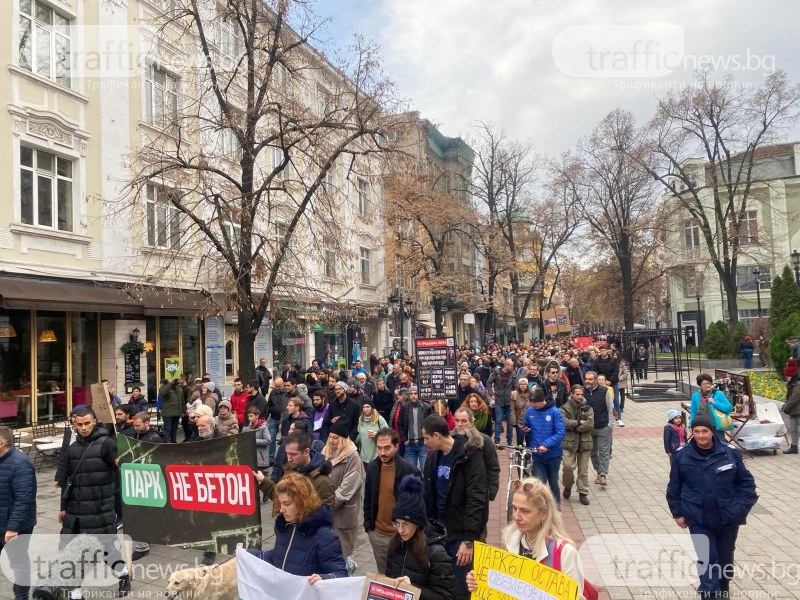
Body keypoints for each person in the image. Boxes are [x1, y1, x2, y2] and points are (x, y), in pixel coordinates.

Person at [666, 414, 758, 598]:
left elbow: (747, 485)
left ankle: (723, 587)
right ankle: (709, 593)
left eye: (705, 431)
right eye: (697, 431)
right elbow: (673, 487)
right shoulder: (682, 456)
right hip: (698, 517)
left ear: (712, 432)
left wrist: (740, 508)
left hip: (727, 517)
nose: (701, 436)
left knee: (724, 560)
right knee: (707, 560)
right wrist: (677, 514)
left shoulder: (730, 453)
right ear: (692, 432)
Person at [465, 478, 585, 595]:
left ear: (544, 513)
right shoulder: (511, 541)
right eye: (514, 508)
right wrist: (479, 582)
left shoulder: (565, 552)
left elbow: (575, 596)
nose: (516, 516)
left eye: (525, 511)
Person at [60, 406, 131, 596]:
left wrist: (121, 462)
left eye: (87, 423)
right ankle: (75, 594)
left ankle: (123, 574)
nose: (83, 428)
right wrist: (63, 507)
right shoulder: (72, 449)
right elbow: (68, 480)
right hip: (75, 512)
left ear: (94, 422)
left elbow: (121, 467)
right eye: (79, 424)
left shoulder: (107, 443)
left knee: (106, 550)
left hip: (100, 510)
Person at [421, 415, 487, 600]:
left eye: (426, 438)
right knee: (441, 584)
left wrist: (469, 540)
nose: (425, 443)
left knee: (462, 588)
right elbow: (429, 494)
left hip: (460, 536)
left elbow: (477, 498)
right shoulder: (433, 457)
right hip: (439, 533)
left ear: (436, 435)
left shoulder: (468, 454)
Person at [247, 472, 347, 583]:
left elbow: (340, 574)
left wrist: (323, 579)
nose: (281, 510)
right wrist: (247, 554)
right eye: (281, 503)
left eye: (287, 504)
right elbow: (278, 557)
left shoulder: (325, 537)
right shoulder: (285, 528)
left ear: (302, 502)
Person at [385, 475, 457, 599]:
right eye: (397, 523)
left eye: (406, 524)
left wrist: (412, 589)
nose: (401, 530)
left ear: (418, 523)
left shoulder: (436, 554)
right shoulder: (395, 543)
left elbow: (446, 597)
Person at [363, 428, 420, 575]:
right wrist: (369, 527)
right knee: (383, 577)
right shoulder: (373, 468)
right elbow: (368, 499)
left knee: (404, 576)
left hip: (401, 534)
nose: (382, 453)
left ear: (396, 446)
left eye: (387, 448)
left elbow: (419, 506)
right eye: (379, 448)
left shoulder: (410, 471)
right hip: (378, 534)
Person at [322, 418, 365, 575]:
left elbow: (347, 488)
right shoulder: (325, 452)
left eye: (336, 438)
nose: (332, 441)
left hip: (342, 511)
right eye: (330, 437)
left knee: (341, 550)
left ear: (343, 440)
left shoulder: (353, 458)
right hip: (325, 510)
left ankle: (346, 572)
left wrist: (326, 503)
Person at [256, 431, 335, 511]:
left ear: (306, 452)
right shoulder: (291, 469)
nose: (289, 459)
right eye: (287, 454)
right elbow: (282, 498)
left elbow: (323, 518)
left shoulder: (323, 482)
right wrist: (263, 481)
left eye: (293, 454)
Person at [0, 425, 36, 600]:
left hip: (15, 526)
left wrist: (13, 528)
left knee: (18, 563)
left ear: (1, 443)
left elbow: (24, 499)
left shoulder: (20, 463)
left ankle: (21, 596)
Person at [524, 387, 565, 510]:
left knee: (553, 484)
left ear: (542, 400)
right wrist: (525, 430)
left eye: (534, 402)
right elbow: (527, 428)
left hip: (553, 455)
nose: (532, 404)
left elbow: (560, 432)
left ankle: (556, 510)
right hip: (537, 455)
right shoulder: (530, 411)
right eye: (531, 402)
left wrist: (546, 445)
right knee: (540, 485)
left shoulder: (554, 412)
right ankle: (542, 510)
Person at [560, 385, 594, 506]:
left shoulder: (588, 408)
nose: (580, 396)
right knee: (568, 467)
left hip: (584, 443)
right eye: (577, 394)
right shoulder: (564, 408)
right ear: (572, 394)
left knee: (583, 471)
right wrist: (578, 422)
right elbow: (563, 422)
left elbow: (590, 425)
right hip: (569, 442)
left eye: (581, 394)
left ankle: (583, 492)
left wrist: (574, 428)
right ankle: (568, 486)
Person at [584, 371, 613, 487]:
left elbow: (610, 408)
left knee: (604, 452)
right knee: (592, 452)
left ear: (595, 379)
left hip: (603, 426)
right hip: (588, 428)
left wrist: (610, 425)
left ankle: (603, 474)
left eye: (590, 379)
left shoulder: (604, 391)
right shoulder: (583, 391)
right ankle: (598, 471)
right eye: (586, 379)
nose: (588, 381)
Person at [688, 373, 733, 442]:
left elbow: (729, 408)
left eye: (709, 383)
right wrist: (691, 425)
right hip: (701, 425)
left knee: (720, 445)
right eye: (704, 384)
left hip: (716, 426)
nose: (707, 385)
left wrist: (715, 403)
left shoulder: (718, 394)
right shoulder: (695, 396)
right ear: (700, 385)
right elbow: (693, 412)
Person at [399, 386, 433, 472]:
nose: (413, 396)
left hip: (423, 444)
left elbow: (431, 424)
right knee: (411, 470)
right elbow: (400, 424)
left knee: (425, 469)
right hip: (410, 444)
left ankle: (425, 485)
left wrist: (428, 439)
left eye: (415, 393)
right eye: (411, 394)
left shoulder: (427, 407)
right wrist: (404, 439)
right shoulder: (405, 407)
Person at [487, 359, 517, 445]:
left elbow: (515, 387)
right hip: (499, 399)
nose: (512, 367)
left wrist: (514, 395)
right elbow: (489, 382)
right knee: (498, 421)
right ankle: (497, 441)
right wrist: (491, 393)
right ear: (506, 365)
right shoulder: (496, 372)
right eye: (511, 366)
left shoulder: (513, 374)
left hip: (509, 400)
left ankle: (509, 442)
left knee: (510, 422)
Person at [357, 399, 388, 467]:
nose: (366, 409)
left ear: (372, 408)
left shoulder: (379, 419)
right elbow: (359, 435)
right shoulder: (360, 419)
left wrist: (376, 434)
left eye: (368, 407)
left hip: (377, 456)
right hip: (364, 456)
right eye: (364, 407)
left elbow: (387, 433)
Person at [242, 407, 271, 474]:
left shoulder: (263, 427)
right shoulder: (248, 428)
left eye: (251, 416)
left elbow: (267, 440)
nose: (249, 418)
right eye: (248, 416)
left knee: (259, 478)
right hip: (250, 458)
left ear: (257, 416)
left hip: (260, 458)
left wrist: (253, 441)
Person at [781, 374, 800, 454]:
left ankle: (794, 446)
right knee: (793, 429)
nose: (786, 378)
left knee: (794, 429)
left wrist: (786, 407)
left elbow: (795, 397)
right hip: (793, 411)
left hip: (797, 410)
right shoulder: (791, 384)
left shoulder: (797, 384)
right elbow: (790, 397)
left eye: (787, 376)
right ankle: (794, 446)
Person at [158, 379, 181, 443]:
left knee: (174, 429)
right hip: (168, 413)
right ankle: (166, 443)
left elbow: (181, 399)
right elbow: (163, 393)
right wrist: (169, 384)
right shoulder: (164, 387)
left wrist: (182, 411)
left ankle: (173, 442)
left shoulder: (177, 387)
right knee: (167, 429)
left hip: (176, 413)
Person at [510, 378, 531, 446]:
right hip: (519, 419)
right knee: (519, 439)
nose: (522, 385)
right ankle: (519, 453)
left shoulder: (531, 394)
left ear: (527, 385)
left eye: (524, 384)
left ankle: (528, 453)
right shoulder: (514, 394)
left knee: (529, 439)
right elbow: (512, 408)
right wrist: (513, 420)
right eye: (521, 384)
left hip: (529, 418)